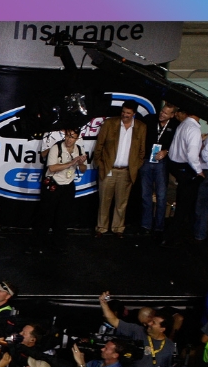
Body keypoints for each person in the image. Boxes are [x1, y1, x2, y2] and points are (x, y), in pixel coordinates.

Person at [92, 100, 145, 238]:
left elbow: (142, 151)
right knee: (104, 201)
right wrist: (100, 164)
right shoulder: (109, 123)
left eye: (128, 113)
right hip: (108, 169)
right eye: (123, 112)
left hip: (126, 171)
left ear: (134, 114)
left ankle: (118, 228)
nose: (124, 115)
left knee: (122, 203)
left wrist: (135, 167)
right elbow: (99, 145)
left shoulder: (141, 127)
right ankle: (101, 228)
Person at [31, 128, 87, 254]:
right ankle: (37, 245)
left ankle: (58, 245)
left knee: (62, 217)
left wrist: (81, 164)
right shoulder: (56, 148)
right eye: (67, 136)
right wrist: (71, 163)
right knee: (45, 217)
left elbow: (83, 169)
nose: (69, 139)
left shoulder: (79, 149)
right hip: (53, 185)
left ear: (77, 138)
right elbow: (52, 167)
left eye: (72, 137)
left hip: (68, 186)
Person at [164, 107, 204, 247]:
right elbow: (192, 155)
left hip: (176, 166)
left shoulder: (183, 125)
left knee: (183, 205)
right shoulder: (193, 129)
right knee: (184, 207)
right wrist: (199, 171)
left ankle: (175, 235)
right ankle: (173, 238)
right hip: (186, 170)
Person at [138, 103, 178, 237]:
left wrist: (166, 151)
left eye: (166, 113)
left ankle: (159, 226)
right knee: (145, 195)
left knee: (161, 196)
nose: (162, 114)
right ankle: (146, 225)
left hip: (162, 163)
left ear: (172, 115)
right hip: (146, 161)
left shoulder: (175, 125)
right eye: (162, 111)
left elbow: (178, 144)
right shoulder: (150, 119)